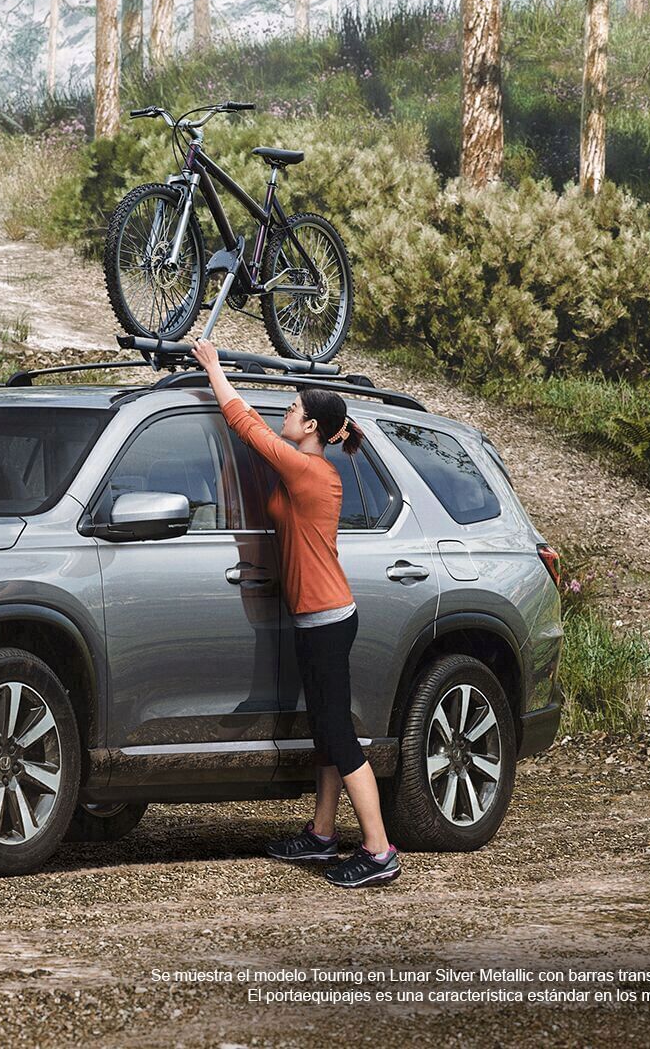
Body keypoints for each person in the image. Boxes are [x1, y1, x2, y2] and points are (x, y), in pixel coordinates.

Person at [190, 338, 400, 888]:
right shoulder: (306, 468)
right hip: (320, 617)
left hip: (327, 618)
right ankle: (323, 833)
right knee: (326, 731)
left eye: (292, 409)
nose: (284, 414)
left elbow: (244, 423)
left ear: (310, 427)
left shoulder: (308, 470)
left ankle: (379, 851)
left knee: (338, 733)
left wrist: (214, 368)